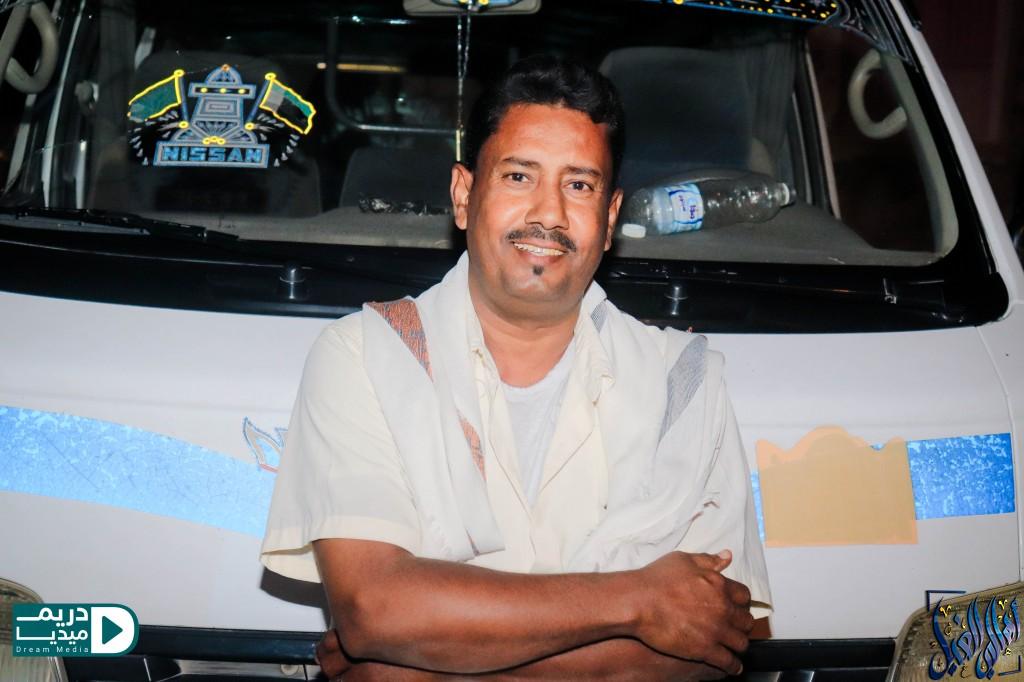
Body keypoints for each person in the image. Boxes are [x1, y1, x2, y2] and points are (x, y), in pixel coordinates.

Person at [261, 55, 771, 681]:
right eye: (519, 176)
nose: (549, 214)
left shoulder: (684, 382)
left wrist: (414, 669)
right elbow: (376, 610)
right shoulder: (364, 355)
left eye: (579, 185)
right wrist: (638, 601)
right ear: (464, 195)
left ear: (610, 218)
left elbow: (711, 640)